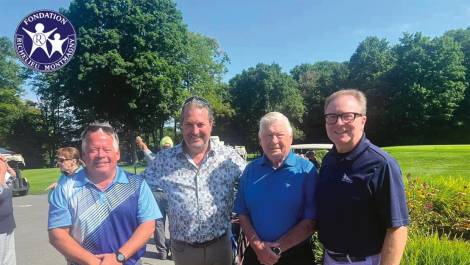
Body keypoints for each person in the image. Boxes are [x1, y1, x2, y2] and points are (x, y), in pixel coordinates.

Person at [141, 96, 246, 265]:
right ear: (182, 125)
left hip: (220, 248)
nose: (195, 131)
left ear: (211, 125)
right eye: (189, 124)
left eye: (200, 124)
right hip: (184, 252)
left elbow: (254, 183)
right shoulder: (164, 160)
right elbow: (134, 187)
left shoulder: (228, 158)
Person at [48, 122, 161, 265]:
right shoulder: (65, 187)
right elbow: (57, 234)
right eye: (93, 149)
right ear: (84, 155)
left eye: (106, 149)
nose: (100, 155)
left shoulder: (137, 184)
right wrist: (95, 262)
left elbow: (148, 225)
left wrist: (119, 257)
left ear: (117, 154)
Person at [317, 89, 409, 265]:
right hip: (329, 259)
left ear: (363, 121)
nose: (338, 123)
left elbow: (397, 227)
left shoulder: (381, 164)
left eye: (347, 116)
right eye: (332, 116)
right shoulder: (329, 160)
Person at [234, 112, 318, 265]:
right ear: (260, 140)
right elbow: (243, 213)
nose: (273, 141)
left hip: (296, 256)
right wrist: (259, 247)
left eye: (280, 135)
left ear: (290, 138)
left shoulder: (306, 170)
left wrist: (275, 250)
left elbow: (311, 221)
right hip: (257, 253)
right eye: (267, 135)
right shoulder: (250, 170)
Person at [135, 135, 174, 260]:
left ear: (161, 147)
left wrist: (139, 140)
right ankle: (174, 253)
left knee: (158, 225)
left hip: (155, 194)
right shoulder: (176, 160)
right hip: (171, 194)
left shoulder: (154, 158)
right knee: (174, 224)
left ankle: (162, 253)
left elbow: (144, 148)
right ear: (171, 147)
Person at [0, 155, 17, 265]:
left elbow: (13, 177)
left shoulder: (4, 171)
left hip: (8, 222)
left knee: (9, 258)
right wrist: (1, 175)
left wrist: (7, 165)